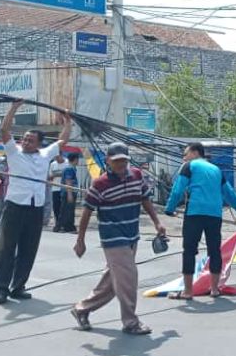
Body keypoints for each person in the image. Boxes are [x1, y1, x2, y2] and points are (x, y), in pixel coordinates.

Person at [70, 142, 165, 335]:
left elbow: (145, 199)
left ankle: (81, 309)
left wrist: (157, 222)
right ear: (108, 162)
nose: (121, 165)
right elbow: (87, 212)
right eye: (116, 161)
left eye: (124, 160)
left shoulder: (137, 176)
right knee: (128, 278)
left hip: (132, 235)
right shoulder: (100, 184)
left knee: (113, 282)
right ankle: (131, 322)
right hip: (113, 238)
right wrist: (80, 240)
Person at [0, 100, 72, 304]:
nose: (25, 142)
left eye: (30, 140)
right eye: (24, 139)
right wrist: (13, 108)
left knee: (28, 249)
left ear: (38, 143)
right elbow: (4, 129)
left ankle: (18, 287)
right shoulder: (13, 152)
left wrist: (67, 121)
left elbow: (62, 140)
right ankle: (0, 289)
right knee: (7, 249)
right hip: (14, 206)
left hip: (35, 207)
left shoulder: (45, 155)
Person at [164, 142, 236, 300]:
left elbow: (178, 189)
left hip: (195, 212)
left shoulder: (188, 166)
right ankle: (214, 289)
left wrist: (169, 208)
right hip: (214, 214)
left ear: (196, 152)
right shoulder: (216, 169)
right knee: (214, 250)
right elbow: (229, 193)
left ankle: (188, 291)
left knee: (189, 250)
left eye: (186, 153)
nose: (184, 157)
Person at [58, 153, 80, 233]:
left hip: (68, 192)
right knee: (68, 211)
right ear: (75, 159)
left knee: (66, 210)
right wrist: (69, 194)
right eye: (77, 159)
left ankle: (62, 227)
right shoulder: (69, 169)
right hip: (68, 192)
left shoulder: (71, 168)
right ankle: (67, 227)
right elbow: (68, 181)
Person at [50, 154, 65, 231]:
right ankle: (57, 224)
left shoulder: (67, 163)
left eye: (58, 156)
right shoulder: (53, 164)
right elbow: (50, 176)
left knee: (63, 208)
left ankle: (62, 224)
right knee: (56, 207)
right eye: (55, 157)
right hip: (55, 188)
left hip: (63, 188)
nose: (56, 158)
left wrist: (56, 174)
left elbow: (67, 175)